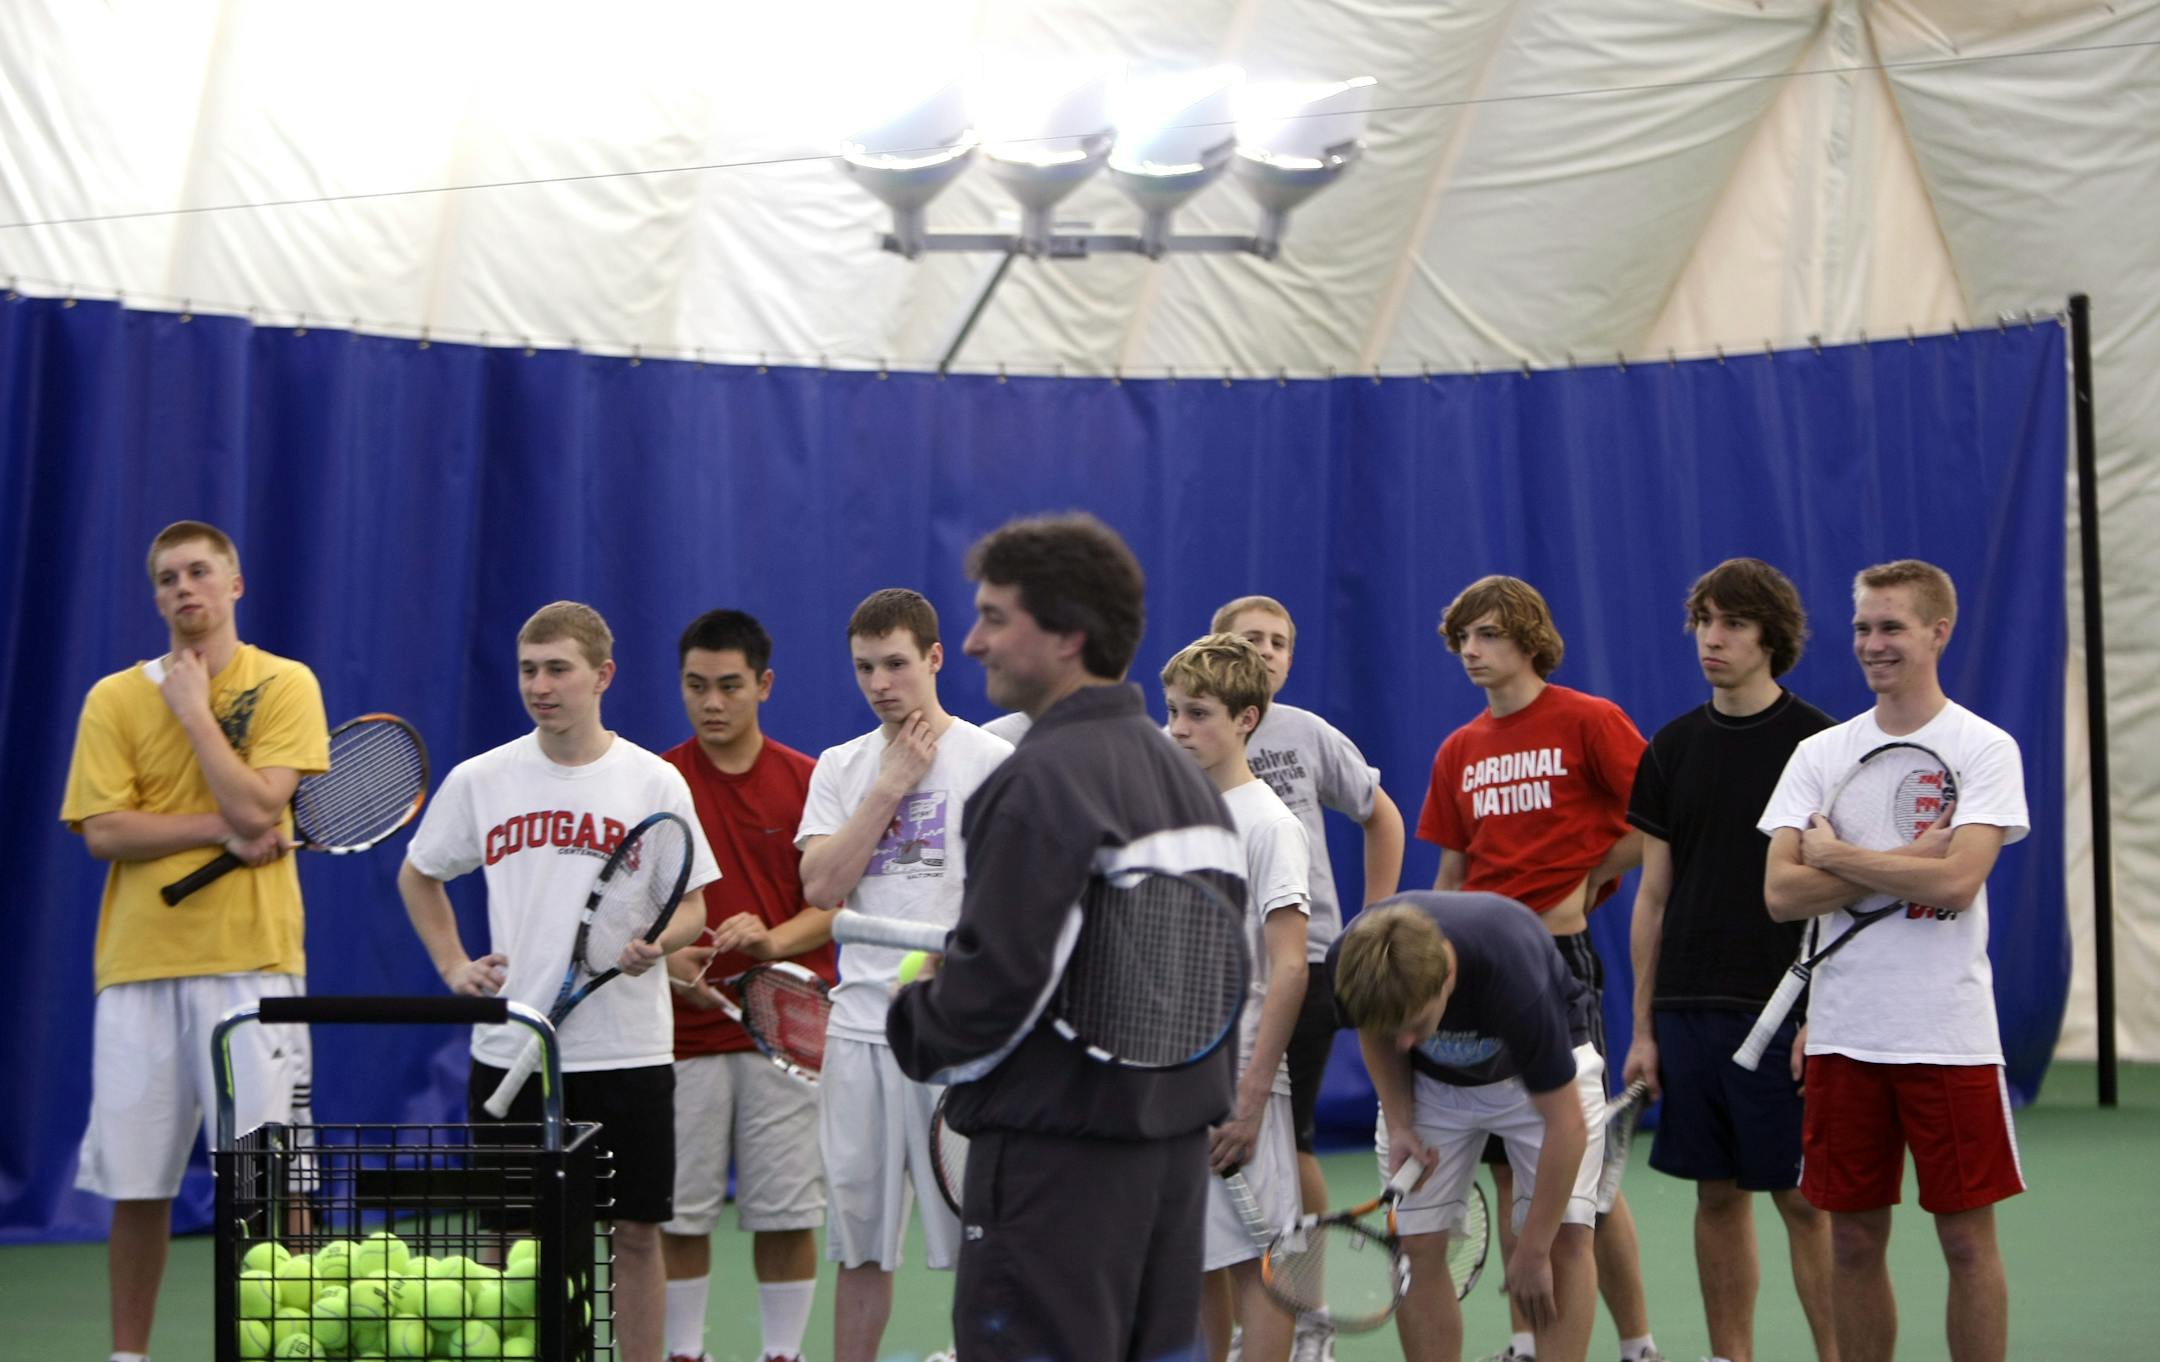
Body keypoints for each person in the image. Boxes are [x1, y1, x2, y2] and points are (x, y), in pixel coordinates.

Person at [886, 512, 1245, 1362]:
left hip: (1054, 1174)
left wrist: (913, 1013)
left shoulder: (1038, 783)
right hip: (1169, 1170)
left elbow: (993, 993)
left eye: (994, 617)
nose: (971, 642)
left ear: (1068, 636)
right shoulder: (1194, 789)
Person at [398, 601, 718, 1362]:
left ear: (602, 676)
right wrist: (453, 964)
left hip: (628, 1051)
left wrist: (658, 942)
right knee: (509, 1240)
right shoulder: (483, 780)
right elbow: (419, 875)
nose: (539, 686)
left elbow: (693, 907)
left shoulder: (654, 782)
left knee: (634, 1234)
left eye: (557, 670)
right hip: (513, 1048)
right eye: (528, 670)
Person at [62, 520, 330, 1362]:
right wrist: (221, 827)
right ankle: (128, 1356)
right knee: (137, 1185)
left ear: (234, 585)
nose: (185, 588)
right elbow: (105, 831)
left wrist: (191, 710)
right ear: (155, 597)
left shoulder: (286, 683)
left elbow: (261, 807)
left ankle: (287, 1347)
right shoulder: (111, 699)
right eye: (169, 578)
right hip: (137, 968)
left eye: (200, 572)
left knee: (274, 1181)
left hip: (254, 968)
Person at [1761, 559, 2028, 1362]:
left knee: (1967, 1242)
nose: (1872, 644)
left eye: (1891, 628)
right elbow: (1780, 893)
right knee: (1850, 1241)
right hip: (1845, 1038)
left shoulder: (1985, 748)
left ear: (1938, 633)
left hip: (1950, 1039)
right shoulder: (1819, 754)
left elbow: (1957, 882)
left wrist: (1836, 856)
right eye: (1862, 628)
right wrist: (1908, 858)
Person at [1416, 574, 1661, 1362]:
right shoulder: (1459, 749)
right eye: (1462, 637)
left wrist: (1589, 877)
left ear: (1529, 639)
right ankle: (1526, 1345)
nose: (1471, 650)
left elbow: (1660, 820)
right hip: (1473, 979)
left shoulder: (1589, 720)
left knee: (1582, 1194)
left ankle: (1637, 1344)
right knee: (1509, 1177)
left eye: (1487, 634)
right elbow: (1452, 874)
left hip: (1556, 965)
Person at [1620, 559, 1839, 1362]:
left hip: (1783, 1009)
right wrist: (1643, 1029)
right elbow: (1653, 898)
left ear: (1770, 637)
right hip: (1687, 1011)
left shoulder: (1822, 746)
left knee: (1805, 1201)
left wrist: (1824, 1014)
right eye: (1705, 621)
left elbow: (1841, 894)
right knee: (1716, 1196)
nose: (1713, 638)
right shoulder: (1670, 748)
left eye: (1733, 623)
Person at [795, 588, 1011, 1362]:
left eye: (895, 664)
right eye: (864, 668)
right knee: (860, 1250)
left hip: (963, 1041)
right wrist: (889, 785)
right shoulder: (840, 766)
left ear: (935, 658)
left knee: (984, 1246)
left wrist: (955, 970)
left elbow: (1015, 900)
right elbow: (822, 887)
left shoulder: (993, 764)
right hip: (859, 1035)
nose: (880, 683)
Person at [1213, 594, 1406, 1355]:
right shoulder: (1187, 737)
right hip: (1215, 979)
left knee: (1288, 1146)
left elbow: (1381, 815)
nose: (1265, 651)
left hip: (1309, 962)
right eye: (1250, 639)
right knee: (1217, 1156)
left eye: (1278, 642)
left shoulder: (1307, 734)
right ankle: (1247, 1322)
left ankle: (1309, 1314)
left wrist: (1371, 923)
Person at [656, 610, 834, 1362]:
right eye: (696, 685)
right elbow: (633, 912)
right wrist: (667, 964)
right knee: (677, 1217)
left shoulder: (810, 782)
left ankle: (783, 1355)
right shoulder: (655, 782)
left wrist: (770, 943)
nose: (711, 703)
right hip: (678, 1039)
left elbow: (834, 904)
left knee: (787, 1216)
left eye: (729, 686)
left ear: (764, 685)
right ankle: (683, 1354)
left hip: (786, 1037)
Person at [1332, 896, 1606, 1362]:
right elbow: (1375, 1031)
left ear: (1447, 979)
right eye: (1396, 1030)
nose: (1404, 1042)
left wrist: (1532, 1250)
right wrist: (1399, 1123)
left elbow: (1567, 1127)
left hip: (1538, 1079)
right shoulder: (1354, 960)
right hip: (1431, 1087)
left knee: (1565, 1238)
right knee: (1415, 1246)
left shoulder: (1514, 976)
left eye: (1415, 1024)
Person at [1162, 633, 1312, 1362]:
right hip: (1171, 1079)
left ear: (1246, 719)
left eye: (1198, 714)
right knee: (1194, 1258)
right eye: (1172, 712)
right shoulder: (1169, 817)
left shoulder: (1271, 825)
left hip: (1241, 1079)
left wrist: (1251, 1097)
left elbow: (1291, 968)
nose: (1178, 729)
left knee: (1263, 1264)